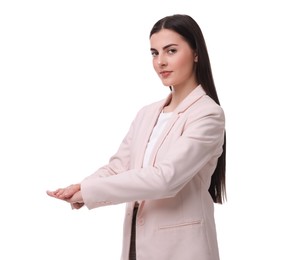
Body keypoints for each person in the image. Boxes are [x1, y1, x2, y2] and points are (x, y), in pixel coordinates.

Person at [47, 14, 226, 260]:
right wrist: (80, 187)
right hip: (136, 246)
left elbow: (165, 178)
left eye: (171, 51)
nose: (161, 61)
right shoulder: (147, 113)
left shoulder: (208, 114)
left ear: (196, 53)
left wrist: (90, 191)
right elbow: (120, 166)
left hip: (182, 250)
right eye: (154, 53)